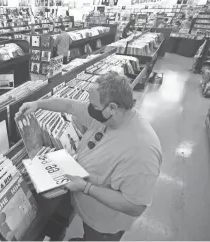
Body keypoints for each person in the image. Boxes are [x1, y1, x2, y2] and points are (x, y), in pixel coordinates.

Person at [16, 72, 162, 241]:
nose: (89, 108)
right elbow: (69, 106)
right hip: (87, 212)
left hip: (103, 228)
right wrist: (37, 104)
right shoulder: (107, 115)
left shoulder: (142, 150)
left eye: (94, 105)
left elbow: (135, 206)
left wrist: (86, 188)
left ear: (113, 108)